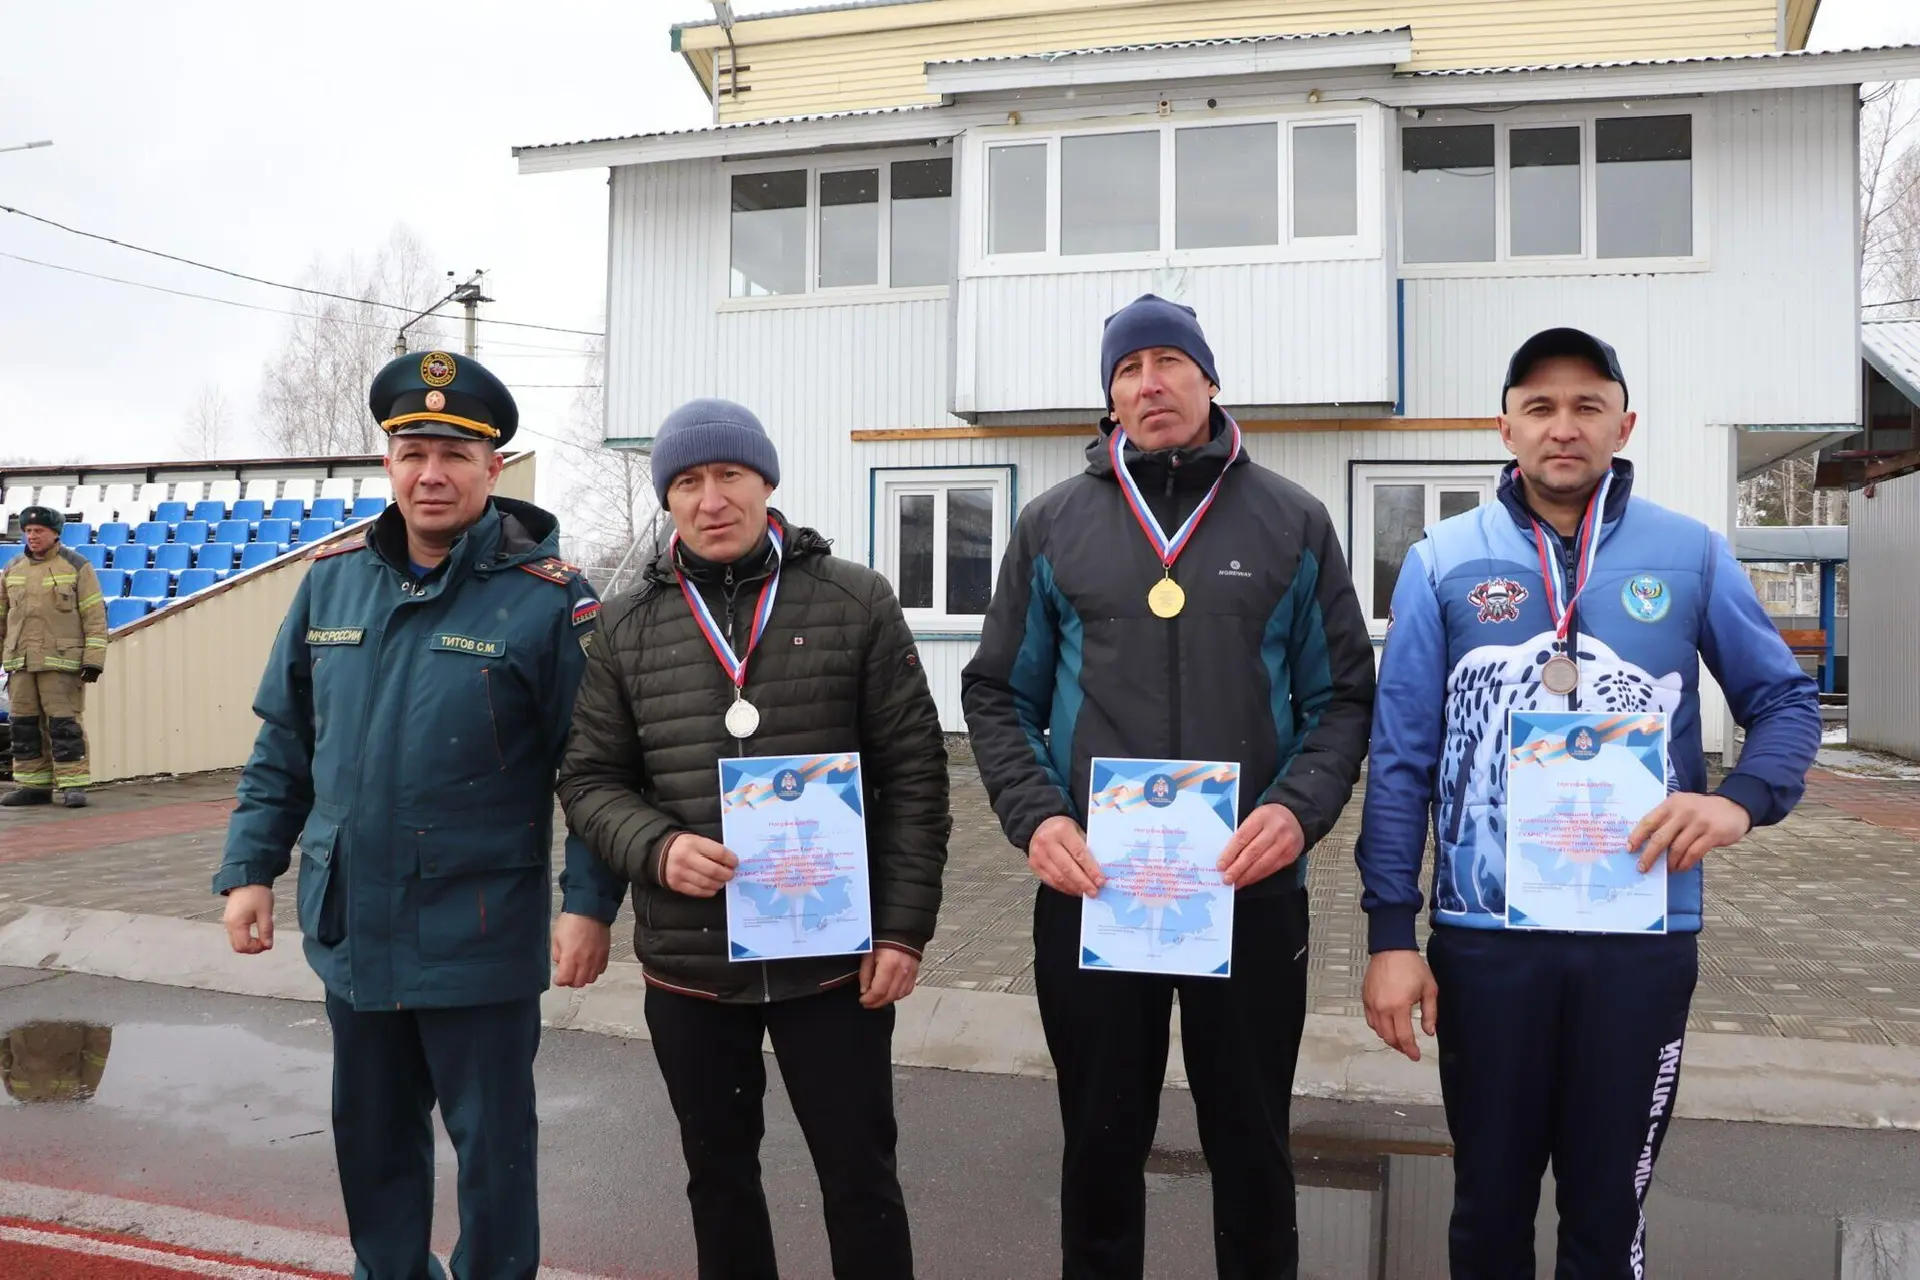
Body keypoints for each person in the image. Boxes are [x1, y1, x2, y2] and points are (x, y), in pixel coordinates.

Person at [1356, 328, 1822, 1277]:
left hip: (1640, 937)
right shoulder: (1442, 559)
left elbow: (1785, 700)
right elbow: (1400, 757)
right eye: (1539, 406)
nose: (1562, 427)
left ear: (1623, 422)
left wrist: (1739, 802)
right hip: (1486, 942)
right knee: (1487, 1209)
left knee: (1608, 1213)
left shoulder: (1688, 553)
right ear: (1505, 426)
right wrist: (1390, 938)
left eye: (1585, 406)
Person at [961, 294, 1377, 1279]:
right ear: (1108, 394)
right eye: (1127, 368)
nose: (1149, 382)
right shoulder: (1054, 523)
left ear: (1210, 378)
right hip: (1097, 891)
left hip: (1250, 889)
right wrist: (1036, 817)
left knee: (1252, 1148)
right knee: (1100, 1150)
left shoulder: (1293, 520)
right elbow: (995, 695)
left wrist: (1297, 808)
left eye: (1169, 362)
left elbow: (1343, 697)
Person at [212, 350, 627, 1280]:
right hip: (353, 923)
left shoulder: (547, 600)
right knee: (372, 1142)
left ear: (493, 468)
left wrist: (588, 903)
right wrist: (249, 869)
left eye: (452, 452)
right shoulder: (332, 583)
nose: (429, 472)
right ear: (389, 463)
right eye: (410, 451)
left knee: (493, 1154)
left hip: (475, 933)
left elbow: (595, 769)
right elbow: (285, 742)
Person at [557, 397, 950, 1280]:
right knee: (720, 1179)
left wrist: (901, 928)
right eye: (687, 483)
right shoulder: (624, 627)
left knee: (860, 1177)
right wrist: (656, 847)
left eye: (729, 474)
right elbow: (588, 782)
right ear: (669, 501)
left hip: (833, 960)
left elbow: (916, 777)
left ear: (767, 481)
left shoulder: (855, 599)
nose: (711, 499)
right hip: (691, 967)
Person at [1, 504, 108, 807]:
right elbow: (1, 616)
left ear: (55, 534)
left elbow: (95, 617)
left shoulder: (76, 566)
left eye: (39, 531)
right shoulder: (13, 568)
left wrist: (94, 659)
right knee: (23, 725)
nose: (32, 536)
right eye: (28, 531)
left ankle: (72, 784)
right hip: (20, 662)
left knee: (64, 725)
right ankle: (32, 785)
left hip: (61, 663)